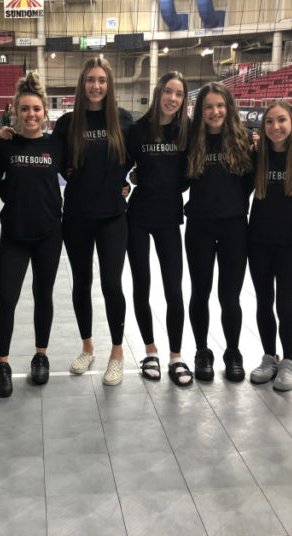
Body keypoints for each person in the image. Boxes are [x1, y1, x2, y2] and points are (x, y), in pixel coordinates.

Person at [52, 56, 133, 385]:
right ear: (82, 84)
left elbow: (143, 157)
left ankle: (117, 352)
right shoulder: (67, 123)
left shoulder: (124, 122)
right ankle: (87, 347)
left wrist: (129, 180)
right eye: (91, 80)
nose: (96, 85)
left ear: (109, 84)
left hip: (113, 216)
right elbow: (52, 160)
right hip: (76, 217)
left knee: (112, 285)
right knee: (81, 284)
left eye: (102, 80)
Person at [0, 72, 65, 397]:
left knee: (42, 296)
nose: (31, 115)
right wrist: (12, 193)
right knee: (7, 299)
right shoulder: (6, 144)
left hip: (49, 234)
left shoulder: (56, 146)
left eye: (36, 109)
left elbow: (79, 171)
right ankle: (2, 364)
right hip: (15, 235)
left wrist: (123, 181)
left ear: (44, 113)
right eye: (25, 110)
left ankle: (41, 356)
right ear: (15, 113)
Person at [184, 82, 253, 382]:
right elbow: (177, 179)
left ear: (229, 107)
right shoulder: (191, 141)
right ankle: (202, 351)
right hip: (199, 226)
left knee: (230, 297)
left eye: (220, 105)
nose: (215, 111)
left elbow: (249, 183)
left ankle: (233, 352)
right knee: (200, 293)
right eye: (209, 106)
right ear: (201, 111)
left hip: (234, 228)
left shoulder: (244, 140)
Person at [125, 72, 191, 386]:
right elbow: (119, 168)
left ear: (183, 99)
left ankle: (176, 356)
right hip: (137, 217)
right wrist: (126, 184)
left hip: (169, 218)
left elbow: (190, 174)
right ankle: (150, 350)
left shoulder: (187, 132)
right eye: (168, 91)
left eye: (179, 94)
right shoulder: (137, 130)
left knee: (173, 290)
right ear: (158, 92)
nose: (172, 98)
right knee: (142, 286)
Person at [247, 101, 292, 392]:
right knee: (263, 302)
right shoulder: (257, 155)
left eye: (281, 120)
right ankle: (269, 357)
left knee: (285, 306)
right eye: (270, 121)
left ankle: (289, 362)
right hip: (258, 241)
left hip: (291, 244)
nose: (275, 127)